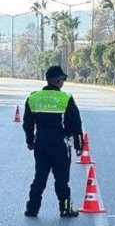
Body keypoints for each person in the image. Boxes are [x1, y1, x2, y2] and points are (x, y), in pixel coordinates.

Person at [23, 65, 84, 218]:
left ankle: (32, 209)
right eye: (63, 79)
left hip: (41, 144)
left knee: (40, 178)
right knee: (62, 179)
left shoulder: (33, 98)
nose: (63, 82)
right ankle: (65, 209)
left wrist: (30, 141)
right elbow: (76, 123)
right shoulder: (66, 98)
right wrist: (79, 144)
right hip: (60, 145)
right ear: (58, 81)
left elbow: (27, 124)